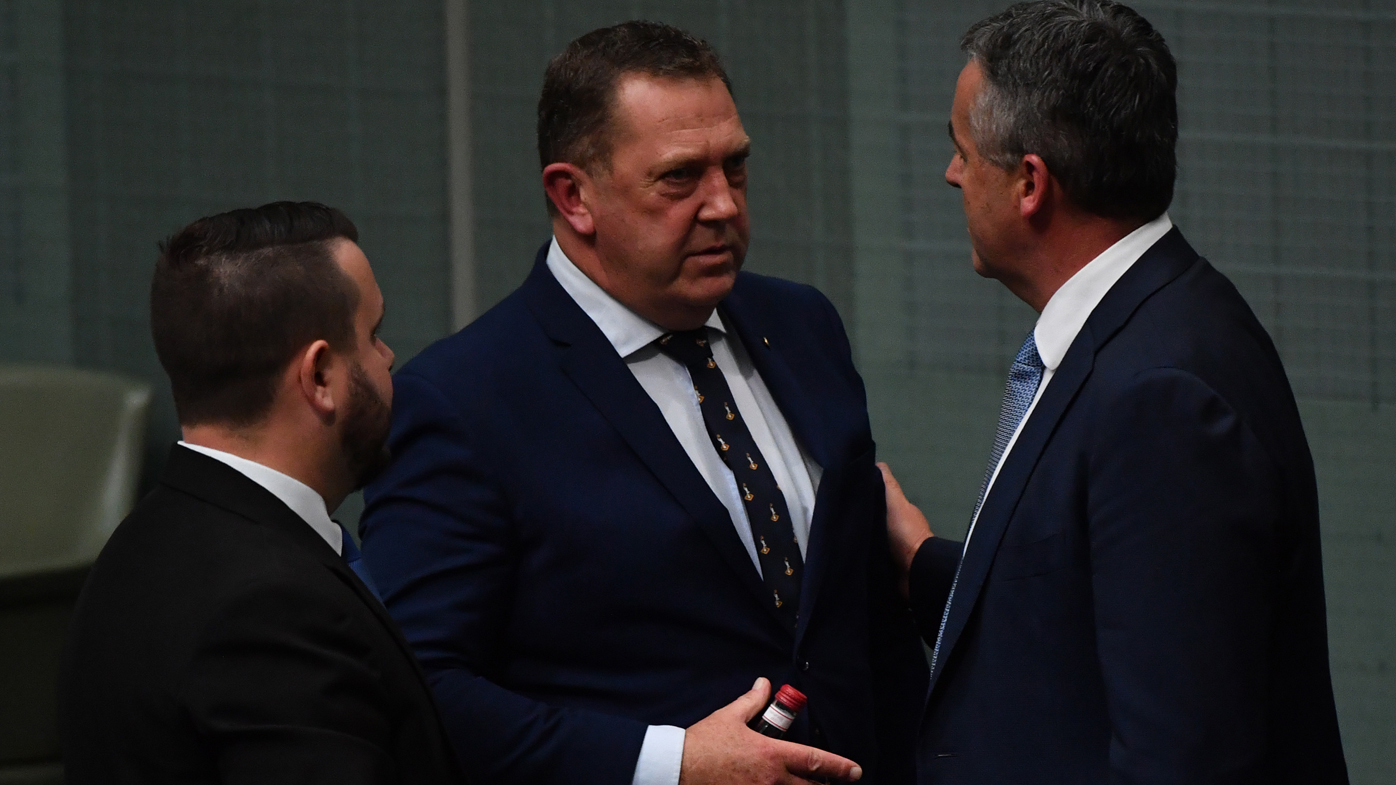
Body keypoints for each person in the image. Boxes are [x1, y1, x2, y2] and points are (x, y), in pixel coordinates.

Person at [358, 20, 926, 785]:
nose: (723, 204)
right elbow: (419, 689)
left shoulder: (803, 325)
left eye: (736, 167)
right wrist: (670, 764)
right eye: (680, 178)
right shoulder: (463, 401)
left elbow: (857, 617)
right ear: (574, 195)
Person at [878, 2, 1349, 783]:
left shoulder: (1161, 397)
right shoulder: (1161, 320)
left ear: (1030, 182)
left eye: (961, 150)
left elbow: (1180, 753)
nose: (952, 173)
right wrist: (923, 567)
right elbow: (1103, 613)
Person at [60, 202, 464, 785]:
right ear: (319, 376)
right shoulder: (274, 609)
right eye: (373, 336)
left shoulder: (139, 543)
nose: (388, 358)